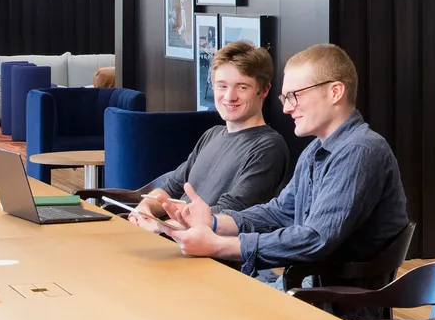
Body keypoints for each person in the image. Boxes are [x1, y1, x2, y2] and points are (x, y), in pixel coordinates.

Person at [159, 43, 408, 278]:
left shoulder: (360, 151)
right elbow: (279, 213)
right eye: (285, 98)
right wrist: (214, 222)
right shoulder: (316, 150)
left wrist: (219, 245)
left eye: (294, 96)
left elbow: (315, 239)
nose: (287, 108)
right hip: (303, 288)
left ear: (335, 92)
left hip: (330, 305)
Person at [126, 42, 290, 229]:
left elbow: (230, 215)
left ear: (264, 90)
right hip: (170, 238)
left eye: (242, 87)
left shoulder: (269, 147)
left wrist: (161, 227)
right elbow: (171, 188)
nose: (229, 96)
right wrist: (145, 208)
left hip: (208, 253)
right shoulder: (212, 135)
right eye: (222, 86)